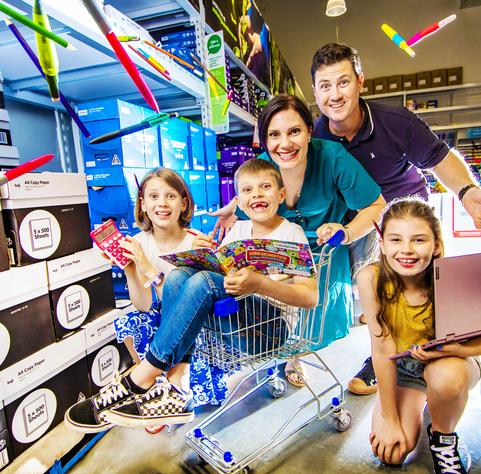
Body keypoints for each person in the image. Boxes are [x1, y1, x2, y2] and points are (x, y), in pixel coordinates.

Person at [309, 43, 481, 395]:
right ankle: (383, 357)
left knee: (411, 286)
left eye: (343, 82)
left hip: (404, 213)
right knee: (368, 289)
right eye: (325, 86)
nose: (335, 95)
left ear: (360, 81)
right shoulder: (315, 136)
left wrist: (467, 192)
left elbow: (440, 157)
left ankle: (433, 353)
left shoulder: (395, 122)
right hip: (356, 218)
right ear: (315, 91)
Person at [64, 159, 319, 431]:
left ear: (281, 194)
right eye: (247, 190)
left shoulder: (292, 234)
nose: (256, 194)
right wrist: (205, 257)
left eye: (265, 187)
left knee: (204, 281)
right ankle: (176, 385)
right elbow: (222, 274)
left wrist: (259, 284)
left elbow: (310, 298)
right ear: (239, 202)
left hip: (269, 330)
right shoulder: (237, 231)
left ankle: (138, 379)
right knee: (179, 275)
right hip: (233, 325)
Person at [213, 94, 385, 387]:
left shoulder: (333, 158)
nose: (285, 143)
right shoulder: (264, 164)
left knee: (311, 314)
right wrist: (232, 209)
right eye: (274, 135)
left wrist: (345, 233)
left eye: (294, 131)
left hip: (325, 247)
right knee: (273, 305)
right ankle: (287, 354)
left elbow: (376, 205)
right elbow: (251, 190)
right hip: (279, 253)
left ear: (309, 130)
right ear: (265, 141)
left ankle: (295, 356)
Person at [357, 198, 481, 474]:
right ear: (383, 243)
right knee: (393, 452)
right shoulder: (371, 277)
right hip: (401, 369)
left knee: (446, 378)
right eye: (396, 239)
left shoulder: (456, 276)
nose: (407, 250)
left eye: (419, 240)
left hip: (448, 363)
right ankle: (424, 403)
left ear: (436, 244)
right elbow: (382, 349)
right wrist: (389, 417)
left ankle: (443, 439)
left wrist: (457, 350)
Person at [110, 168, 227, 416]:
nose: (161, 204)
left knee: (179, 307)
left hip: (194, 320)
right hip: (159, 315)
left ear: (184, 203)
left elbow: (180, 302)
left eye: (170, 196)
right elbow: (142, 305)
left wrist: (148, 267)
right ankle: (152, 385)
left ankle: (169, 384)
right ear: (142, 204)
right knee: (128, 322)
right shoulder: (139, 242)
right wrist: (130, 267)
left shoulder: (195, 241)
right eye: (153, 196)